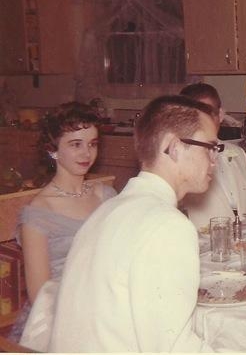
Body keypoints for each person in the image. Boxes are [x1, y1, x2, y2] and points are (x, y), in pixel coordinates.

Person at [49, 95, 217, 352]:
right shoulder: (167, 225)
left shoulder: (108, 210)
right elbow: (171, 349)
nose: (214, 160)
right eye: (210, 147)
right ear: (174, 147)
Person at [10, 102, 117, 348]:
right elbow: (41, 297)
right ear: (53, 150)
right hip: (62, 317)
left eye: (92, 144)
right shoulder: (38, 213)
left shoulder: (107, 195)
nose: (86, 153)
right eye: (75, 144)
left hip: (109, 303)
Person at [179, 83, 246, 228]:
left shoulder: (238, 155)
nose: (201, 122)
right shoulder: (179, 163)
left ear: (220, 115)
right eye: (193, 116)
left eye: (208, 114)